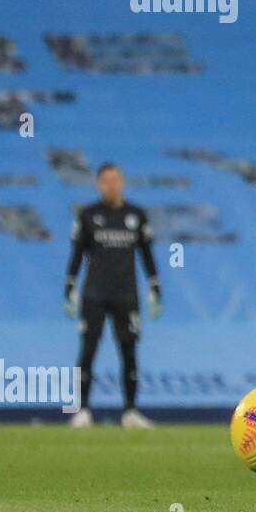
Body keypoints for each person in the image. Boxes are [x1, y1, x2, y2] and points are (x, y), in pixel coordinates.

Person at [64, 163, 162, 428]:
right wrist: (70, 285)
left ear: (122, 182)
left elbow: (147, 254)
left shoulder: (136, 215)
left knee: (129, 350)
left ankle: (130, 411)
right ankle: (82, 410)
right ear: (98, 184)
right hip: (94, 294)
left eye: (115, 180)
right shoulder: (87, 215)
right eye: (106, 180)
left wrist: (155, 286)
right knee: (88, 349)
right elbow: (77, 254)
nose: (111, 185)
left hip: (126, 294)